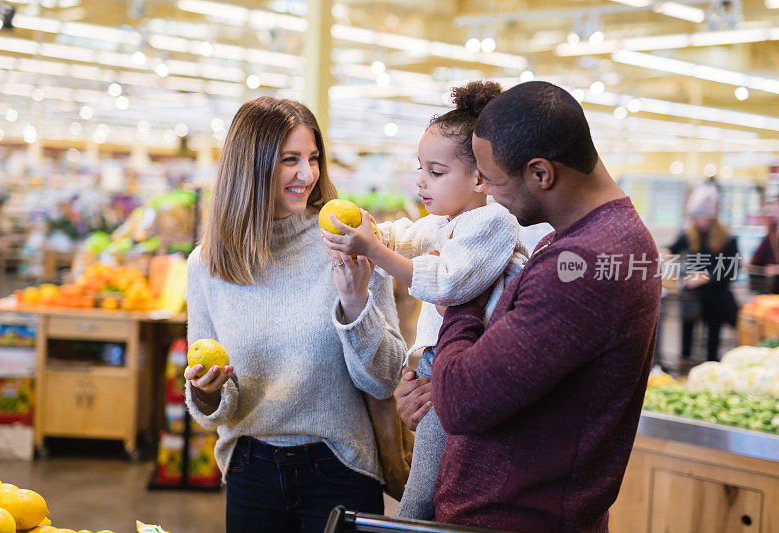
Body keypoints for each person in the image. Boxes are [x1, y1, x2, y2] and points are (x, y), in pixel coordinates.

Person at [394, 81, 662, 532]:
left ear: (541, 173)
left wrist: (462, 298)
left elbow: (463, 403)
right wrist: (434, 380)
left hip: (513, 517)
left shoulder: (583, 265)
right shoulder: (589, 239)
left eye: (493, 181)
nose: (490, 195)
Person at [183, 96, 406, 533]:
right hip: (251, 471)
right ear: (251, 165)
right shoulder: (208, 264)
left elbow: (384, 378)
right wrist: (206, 393)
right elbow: (215, 405)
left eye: (313, 158)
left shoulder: (349, 240)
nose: (309, 175)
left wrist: (357, 302)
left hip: (340, 466)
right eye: (290, 160)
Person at [321, 81, 528, 520]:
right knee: (434, 483)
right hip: (439, 366)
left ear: (479, 177)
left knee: (422, 495)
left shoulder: (492, 223)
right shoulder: (443, 223)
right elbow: (404, 237)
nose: (420, 181)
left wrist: (373, 251)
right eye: (420, 168)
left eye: (435, 172)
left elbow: (445, 285)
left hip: (465, 368)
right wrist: (371, 229)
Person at [668, 182, 739, 364]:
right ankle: (684, 364)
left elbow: (732, 268)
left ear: (712, 216)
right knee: (686, 329)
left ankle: (711, 365)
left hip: (716, 295)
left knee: (713, 334)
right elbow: (673, 247)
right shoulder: (690, 234)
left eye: (702, 217)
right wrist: (664, 251)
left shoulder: (727, 239)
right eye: (695, 217)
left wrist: (706, 276)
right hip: (692, 294)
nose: (698, 222)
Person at [749, 199, 779, 293]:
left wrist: (776, 269)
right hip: (772, 294)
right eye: (775, 209)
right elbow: (756, 261)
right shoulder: (771, 235)